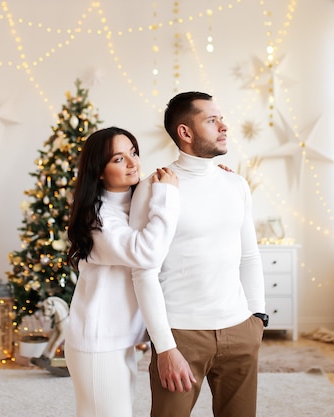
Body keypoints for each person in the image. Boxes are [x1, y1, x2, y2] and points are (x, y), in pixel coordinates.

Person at [129, 92, 267, 417]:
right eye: (211, 120)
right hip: (181, 334)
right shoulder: (153, 188)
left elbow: (249, 256)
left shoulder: (237, 185)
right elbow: (142, 271)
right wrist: (164, 346)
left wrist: (257, 318)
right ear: (185, 133)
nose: (224, 126)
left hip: (240, 329)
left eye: (221, 118)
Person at [65, 126, 180, 417]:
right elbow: (147, 252)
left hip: (119, 340)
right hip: (98, 343)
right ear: (99, 171)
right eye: (118, 159)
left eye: (133, 153)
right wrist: (167, 195)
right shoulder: (98, 217)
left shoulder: (136, 203)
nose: (132, 163)